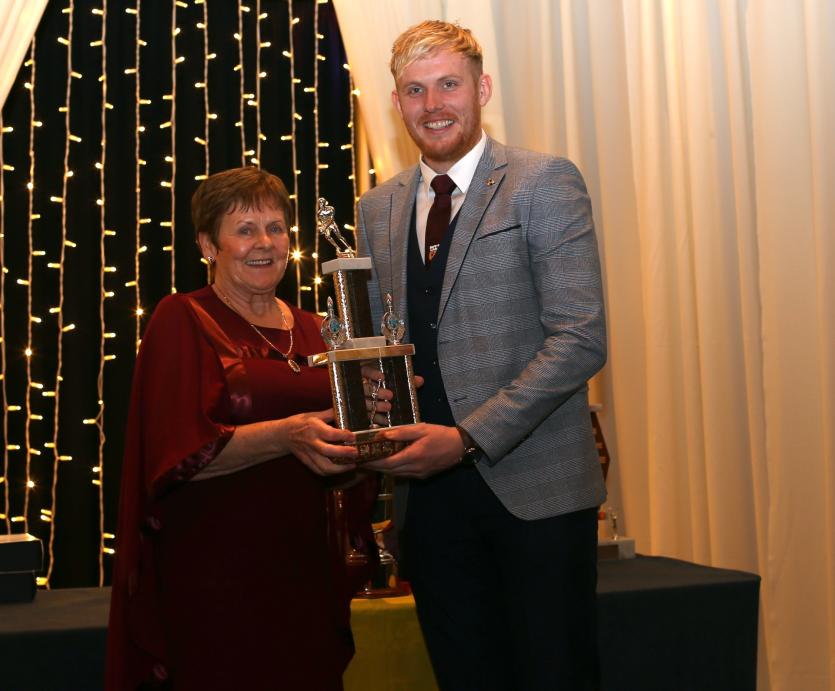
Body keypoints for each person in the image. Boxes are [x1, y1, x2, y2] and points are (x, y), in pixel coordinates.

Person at [357, 20, 608, 691]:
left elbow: (580, 335)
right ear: (397, 102)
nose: (431, 103)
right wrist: (373, 383)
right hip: (428, 503)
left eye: (447, 84)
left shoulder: (541, 182)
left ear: (482, 88)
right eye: (414, 90)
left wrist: (467, 437)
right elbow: (382, 337)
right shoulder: (376, 208)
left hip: (536, 494)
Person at [105, 167, 377, 690]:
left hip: (304, 572)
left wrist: (372, 424)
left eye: (276, 228)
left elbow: (342, 454)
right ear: (209, 244)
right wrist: (286, 435)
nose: (265, 244)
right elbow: (174, 454)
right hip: (216, 579)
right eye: (245, 229)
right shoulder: (181, 318)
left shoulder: (317, 328)